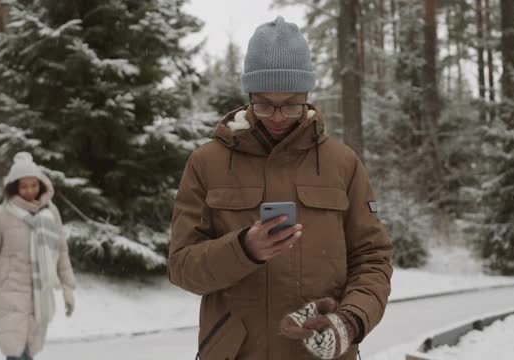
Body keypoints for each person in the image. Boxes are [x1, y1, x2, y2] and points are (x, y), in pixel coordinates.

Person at [168, 16, 393, 360]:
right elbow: (182, 266)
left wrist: (350, 322)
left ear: (307, 96)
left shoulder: (343, 164)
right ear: (248, 96)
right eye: (264, 103)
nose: (276, 116)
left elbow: (372, 259)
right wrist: (243, 250)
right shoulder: (205, 163)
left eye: (290, 104)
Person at [0, 152, 76, 360]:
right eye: (24, 187)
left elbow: (61, 250)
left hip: (39, 291)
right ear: (14, 187)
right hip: (9, 289)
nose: (29, 191)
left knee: (29, 350)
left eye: (33, 185)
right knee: (16, 351)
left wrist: (68, 287)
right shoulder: (1, 214)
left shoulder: (51, 213)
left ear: (41, 184)